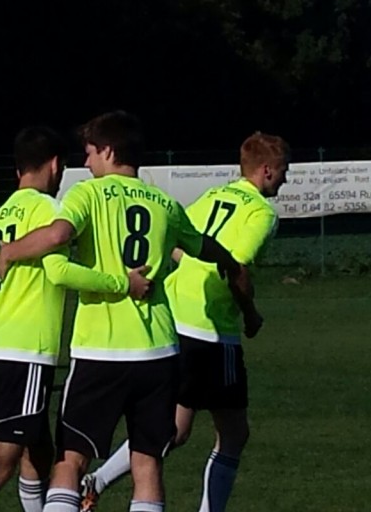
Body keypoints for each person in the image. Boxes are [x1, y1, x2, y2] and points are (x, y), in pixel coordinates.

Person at [0, 111, 254, 512]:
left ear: (109, 151)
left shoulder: (87, 194)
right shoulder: (165, 203)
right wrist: (231, 265)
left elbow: (59, 234)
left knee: (70, 461)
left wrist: (10, 251)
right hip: (157, 352)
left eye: (90, 152)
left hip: (100, 350)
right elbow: (205, 246)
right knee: (147, 465)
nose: (86, 163)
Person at [0, 125, 153, 512]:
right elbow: (60, 272)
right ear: (56, 165)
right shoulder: (50, 211)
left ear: (18, 170)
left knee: (39, 453)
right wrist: (121, 283)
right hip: (27, 350)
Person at [79, 132, 289, 512]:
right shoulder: (261, 212)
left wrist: (184, 274)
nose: (286, 180)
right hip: (212, 330)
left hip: (175, 317)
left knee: (174, 428)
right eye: (284, 171)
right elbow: (236, 267)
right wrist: (250, 313)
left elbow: (176, 242)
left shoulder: (213, 196)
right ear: (268, 171)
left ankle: (97, 479)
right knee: (232, 433)